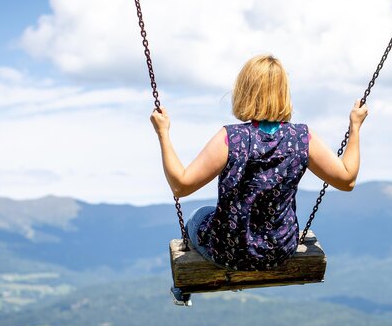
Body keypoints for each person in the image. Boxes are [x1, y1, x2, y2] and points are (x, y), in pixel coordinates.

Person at [151, 54, 368, 304]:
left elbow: (180, 185)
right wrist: (355, 126)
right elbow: (347, 180)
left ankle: (182, 290)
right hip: (279, 250)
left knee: (198, 215)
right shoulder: (302, 138)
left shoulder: (231, 138)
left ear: (244, 91)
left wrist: (163, 133)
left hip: (228, 250)